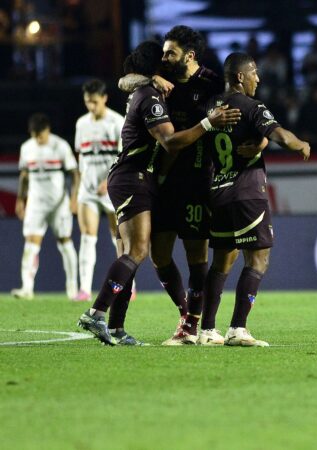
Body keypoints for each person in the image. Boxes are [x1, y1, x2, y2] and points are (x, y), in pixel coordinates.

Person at [77, 40, 240, 346]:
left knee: (130, 253)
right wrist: (208, 122)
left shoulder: (166, 87)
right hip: (134, 176)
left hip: (144, 178)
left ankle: (117, 327)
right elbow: (169, 142)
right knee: (139, 251)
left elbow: (126, 80)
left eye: (170, 54)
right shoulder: (150, 94)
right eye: (162, 58)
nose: (166, 60)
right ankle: (96, 313)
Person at [119, 26, 232, 345]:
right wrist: (150, 78)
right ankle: (186, 313)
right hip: (163, 181)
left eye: (171, 52)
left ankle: (192, 326)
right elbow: (123, 81)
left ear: (189, 56)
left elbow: (237, 107)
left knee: (197, 256)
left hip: (198, 180)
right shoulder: (160, 77)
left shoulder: (211, 84)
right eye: (164, 52)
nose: (165, 57)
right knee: (159, 256)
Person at [197, 52, 310, 346]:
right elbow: (281, 136)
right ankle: (238, 328)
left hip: (218, 192)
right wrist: (301, 144)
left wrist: (260, 141)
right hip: (246, 192)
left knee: (221, 262)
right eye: (253, 73)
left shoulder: (210, 107)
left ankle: (206, 330)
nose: (257, 79)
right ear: (240, 77)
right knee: (258, 259)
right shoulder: (251, 106)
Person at [12, 113, 79, 300]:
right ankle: (27, 288)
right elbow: (24, 176)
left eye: (39, 135)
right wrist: (20, 200)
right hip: (35, 203)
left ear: (47, 130)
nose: (37, 139)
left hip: (59, 204)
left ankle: (72, 288)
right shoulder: (27, 147)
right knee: (31, 243)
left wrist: (74, 198)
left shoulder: (60, 146)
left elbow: (75, 173)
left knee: (65, 242)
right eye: (34, 135)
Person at [72, 79, 125, 302]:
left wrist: (108, 180)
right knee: (87, 237)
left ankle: (127, 284)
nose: (91, 106)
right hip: (88, 189)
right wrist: (77, 189)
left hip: (111, 188)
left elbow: (123, 156)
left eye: (94, 101)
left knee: (118, 236)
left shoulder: (116, 122)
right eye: (87, 102)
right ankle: (84, 288)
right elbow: (80, 157)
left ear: (104, 98)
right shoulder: (81, 123)